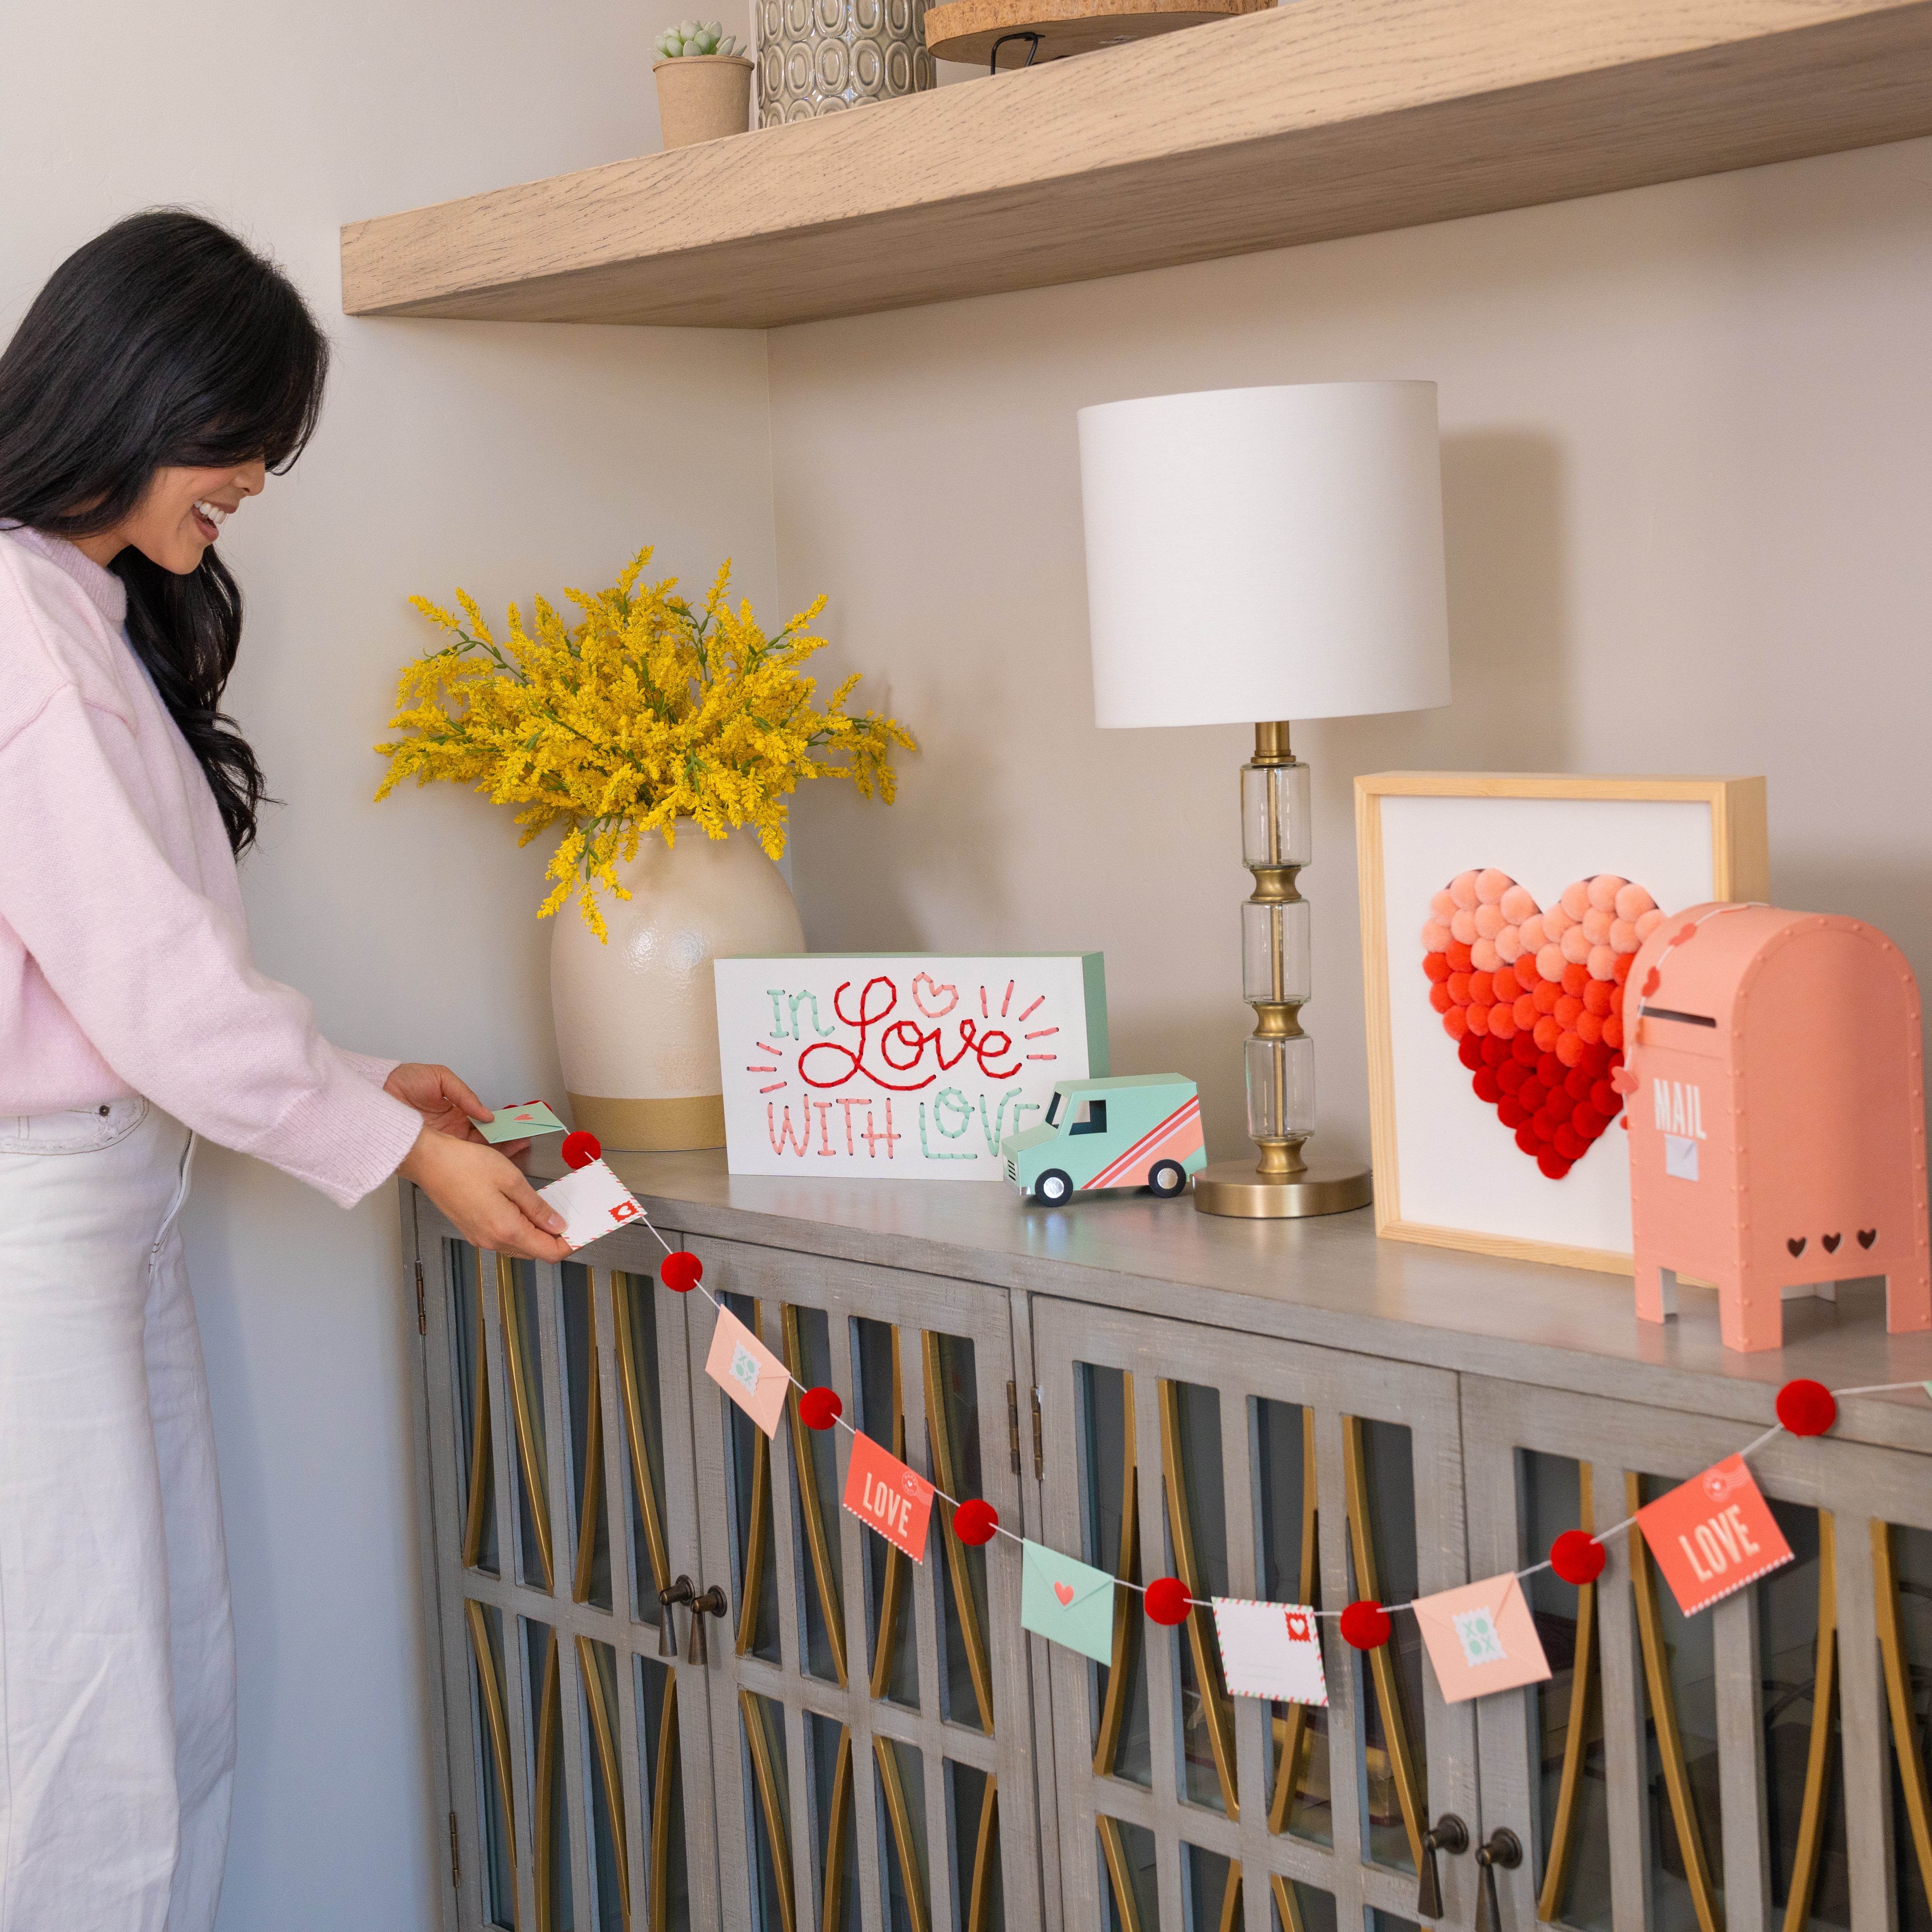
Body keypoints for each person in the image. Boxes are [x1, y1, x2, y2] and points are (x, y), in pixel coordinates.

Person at [0, 210, 570, 1931]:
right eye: (237, 438)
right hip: (44, 1224)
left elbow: (153, 974)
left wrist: (370, 1081)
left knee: (159, 1670)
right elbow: (150, 977)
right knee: (91, 1705)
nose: (252, 479)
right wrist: (396, 1154)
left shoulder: (70, 608)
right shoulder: (25, 630)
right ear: (133, 393)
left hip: (100, 1200)